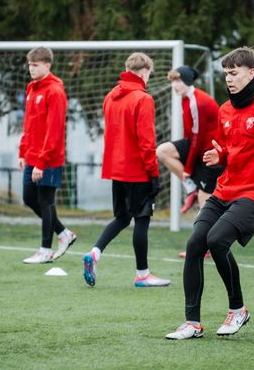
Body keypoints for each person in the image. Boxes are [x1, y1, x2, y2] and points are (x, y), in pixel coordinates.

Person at [165, 47, 254, 340]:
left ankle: (238, 309)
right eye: (226, 74)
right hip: (226, 188)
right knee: (195, 243)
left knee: (217, 240)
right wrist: (220, 156)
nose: (229, 79)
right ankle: (192, 323)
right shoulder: (226, 110)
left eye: (234, 73)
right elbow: (231, 149)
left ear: (251, 73)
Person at [82, 52, 170, 288]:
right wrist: (154, 174)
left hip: (116, 170)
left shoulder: (110, 96)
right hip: (137, 171)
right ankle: (142, 275)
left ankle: (94, 253)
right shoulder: (143, 99)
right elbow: (146, 142)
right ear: (145, 72)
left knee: (122, 218)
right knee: (141, 219)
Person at [157, 66, 223, 259]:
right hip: (196, 146)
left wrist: (187, 168)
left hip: (211, 153)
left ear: (187, 81)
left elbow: (198, 138)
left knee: (205, 203)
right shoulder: (185, 98)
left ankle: (204, 247)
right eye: (172, 81)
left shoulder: (198, 102)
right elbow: (191, 136)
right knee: (162, 151)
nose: (174, 85)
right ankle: (190, 187)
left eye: (178, 81)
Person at [18, 47, 76, 264]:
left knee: (45, 201)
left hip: (49, 159)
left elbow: (54, 131)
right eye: (29, 65)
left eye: (35, 65)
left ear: (47, 65)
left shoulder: (55, 91)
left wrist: (41, 162)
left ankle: (45, 250)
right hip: (32, 156)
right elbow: (28, 123)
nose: (31, 69)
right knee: (29, 198)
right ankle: (64, 233)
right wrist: (23, 151)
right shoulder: (31, 88)